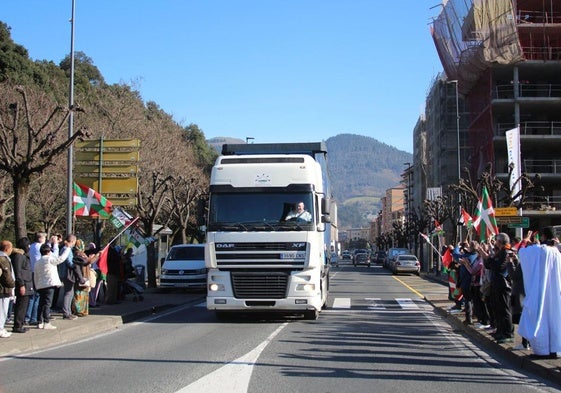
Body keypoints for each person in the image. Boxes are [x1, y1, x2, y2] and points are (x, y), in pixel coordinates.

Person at [478, 233, 514, 344]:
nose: (496, 242)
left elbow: (497, 266)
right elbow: (489, 265)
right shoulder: (500, 252)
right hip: (496, 284)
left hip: (503, 285)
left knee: (504, 310)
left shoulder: (507, 252)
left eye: (497, 240)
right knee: (497, 309)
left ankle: (508, 333)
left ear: (501, 241)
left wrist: (487, 256)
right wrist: (485, 256)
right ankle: (499, 331)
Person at [34, 243, 64, 330]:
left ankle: (40, 321)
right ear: (48, 251)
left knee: (41, 304)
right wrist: (67, 249)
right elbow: (60, 259)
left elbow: (36, 276)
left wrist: (36, 285)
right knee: (47, 304)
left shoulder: (37, 262)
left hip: (40, 285)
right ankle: (46, 321)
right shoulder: (49, 259)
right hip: (49, 284)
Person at [11, 237, 33, 333]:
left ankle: (21, 323)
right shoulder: (19, 256)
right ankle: (18, 325)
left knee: (24, 305)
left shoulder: (24, 255)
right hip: (23, 283)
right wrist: (21, 284)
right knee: (21, 305)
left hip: (27, 283)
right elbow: (18, 271)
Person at [26, 231, 46, 326]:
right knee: (37, 296)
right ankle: (33, 317)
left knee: (32, 296)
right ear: (41, 238)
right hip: (39, 272)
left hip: (32, 270)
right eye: (44, 238)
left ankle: (28, 316)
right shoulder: (40, 247)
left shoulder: (32, 246)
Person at [0, 240, 15, 338]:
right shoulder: (3, 259)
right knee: (2, 310)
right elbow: (6, 275)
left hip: (4, 288)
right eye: (11, 248)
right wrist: (12, 284)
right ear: (7, 248)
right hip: (3, 289)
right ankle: (0, 328)